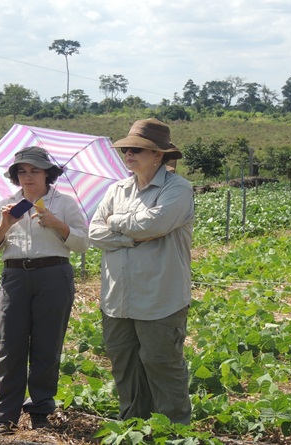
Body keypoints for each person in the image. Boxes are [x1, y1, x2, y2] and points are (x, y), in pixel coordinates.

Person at [89, 118, 194, 424]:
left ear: (158, 154)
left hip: (159, 297)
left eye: (136, 150)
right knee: (125, 366)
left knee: (162, 365)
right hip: (117, 298)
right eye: (126, 150)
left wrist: (115, 222)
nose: (128, 155)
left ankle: (173, 431)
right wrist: (131, 237)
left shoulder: (178, 188)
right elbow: (94, 232)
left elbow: (155, 224)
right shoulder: (117, 190)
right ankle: (133, 427)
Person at [0, 146, 88, 434]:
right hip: (15, 276)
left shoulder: (64, 204)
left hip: (54, 274)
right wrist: (4, 226)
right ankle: (4, 415)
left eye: (34, 171)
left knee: (47, 345)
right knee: (9, 345)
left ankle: (40, 409)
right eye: (22, 171)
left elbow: (82, 243)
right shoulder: (6, 205)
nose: (27, 177)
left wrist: (58, 225)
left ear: (47, 174)